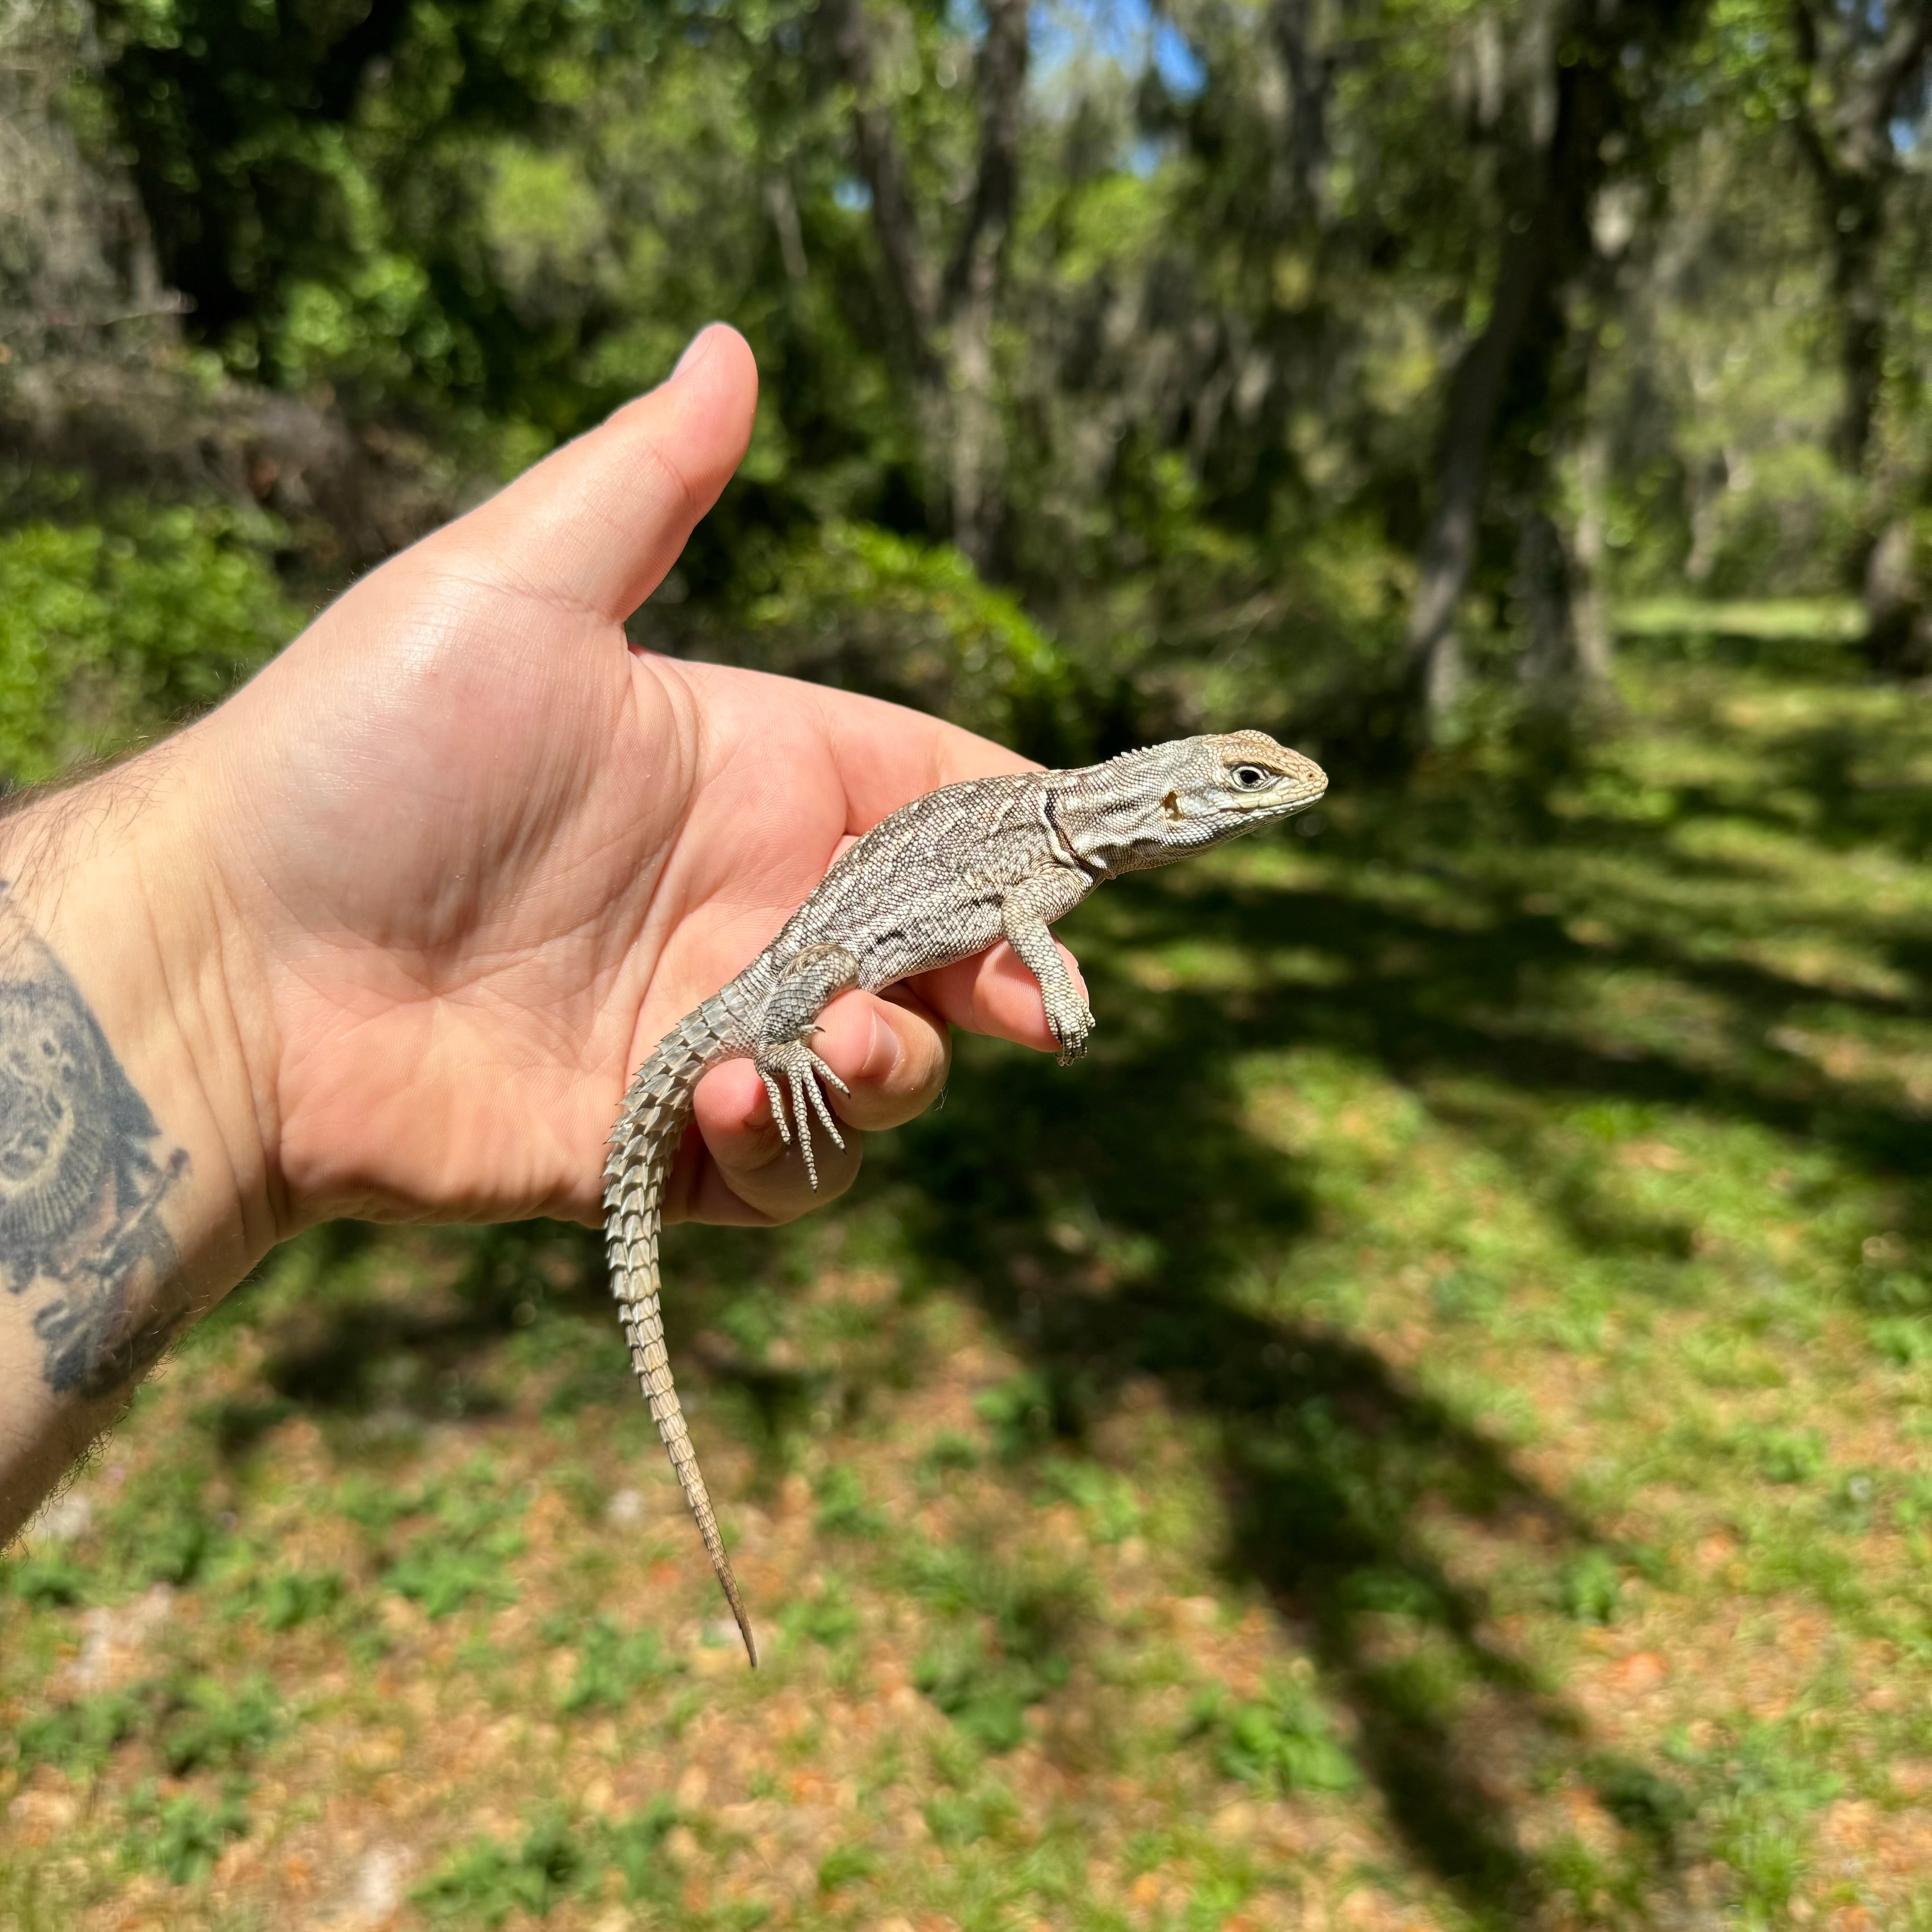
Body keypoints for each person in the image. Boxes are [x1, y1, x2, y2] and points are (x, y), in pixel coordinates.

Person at [0, 325, 1081, 1541]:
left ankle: (779, 1049)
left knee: (826, 1053)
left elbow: (1015, 916)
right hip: (791, 980)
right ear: (1182, 794)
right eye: (1241, 785)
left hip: (794, 965)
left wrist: (230, 971)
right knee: (807, 1033)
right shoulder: (1050, 851)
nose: (1258, 796)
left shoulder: (1050, 841)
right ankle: (781, 1047)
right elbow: (1020, 928)